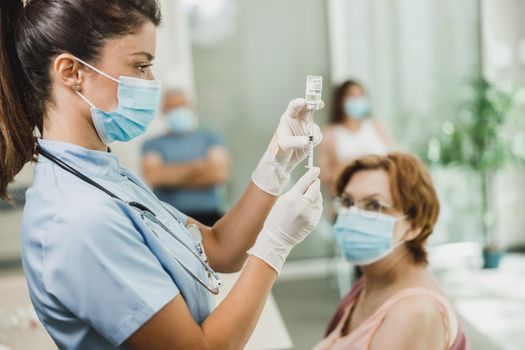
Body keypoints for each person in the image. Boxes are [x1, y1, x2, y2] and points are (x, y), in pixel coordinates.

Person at [0, 1, 324, 349]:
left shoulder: (104, 174)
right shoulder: (79, 220)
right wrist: (275, 245)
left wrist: (276, 163)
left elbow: (220, 248)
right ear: (70, 71)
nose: (152, 83)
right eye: (141, 66)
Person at [313, 153, 467, 350]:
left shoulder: (413, 312)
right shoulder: (369, 282)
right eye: (348, 202)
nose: (352, 216)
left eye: (373, 205)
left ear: (414, 225)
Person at [142, 89, 230, 226]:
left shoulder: (209, 137)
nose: (177, 111)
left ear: (192, 108)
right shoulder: (152, 144)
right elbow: (155, 177)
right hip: (168, 218)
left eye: (181, 106)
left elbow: (218, 174)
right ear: (163, 111)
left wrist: (171, 174)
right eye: (172, 108)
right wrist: (199, 166)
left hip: (209, 216)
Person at [319, 80, 394, 209]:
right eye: (352, 95)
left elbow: (393, 158)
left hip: (383, 199)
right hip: (348, 203)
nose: (357, 100)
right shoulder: (332, 132)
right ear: (341, 100)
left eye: (360, 95)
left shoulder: (376, 126)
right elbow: (325, 174)